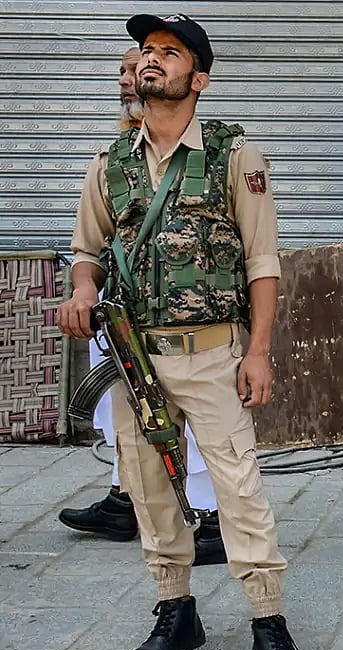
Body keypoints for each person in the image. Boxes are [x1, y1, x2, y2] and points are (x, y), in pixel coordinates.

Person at [57, 14, 312, 650]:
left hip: (214, 353)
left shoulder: (233, 156)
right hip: (135, 358)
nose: (152, 59)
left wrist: (258, 351)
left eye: (169, 53)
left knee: (238, 485)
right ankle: (176, 613)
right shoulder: (109, 164)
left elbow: (262, 261)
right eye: (146, 50)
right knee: (148, 488)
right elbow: (86, 249)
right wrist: (83, 288)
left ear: (197, 77)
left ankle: (268, 624)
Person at [58, 45, 226, 569]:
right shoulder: (119, 152)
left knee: (188, 418)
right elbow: (94, 240)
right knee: (122, 409)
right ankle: (124, 500)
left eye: (138, 70)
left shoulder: (201, 151)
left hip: (183, 317)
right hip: (122, 308)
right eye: (125, 72)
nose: (129, 80)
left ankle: (211, 517)